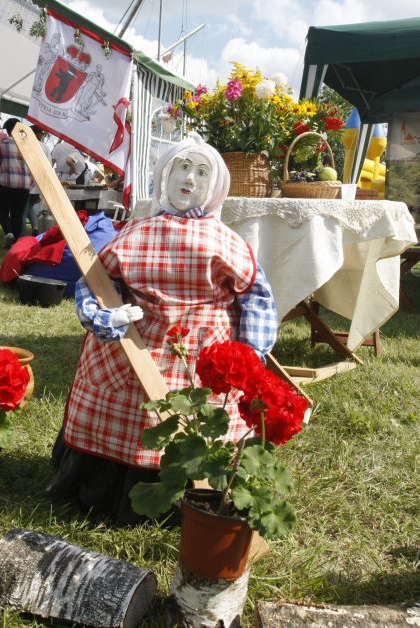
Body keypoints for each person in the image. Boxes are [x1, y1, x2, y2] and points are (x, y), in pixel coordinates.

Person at [47, 134, 279, 522]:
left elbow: (256, 294)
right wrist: (103, 316)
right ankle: (108, 483)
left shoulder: (228, 241)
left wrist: (251, 351)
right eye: (182, 167)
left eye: (202, 172)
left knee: (196, 415)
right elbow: (98, 279)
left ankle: (193, 487)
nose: (190, 179)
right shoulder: (136, 231)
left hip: (199, 349)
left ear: (216, 186)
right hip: (133, 344)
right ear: (163, 175)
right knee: (133, 412)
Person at [0, 118, 32, 249]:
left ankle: (9, 234)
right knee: (17, 215)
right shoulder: (28, 144)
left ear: (8, 131)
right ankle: (15, 243)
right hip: (24, 185)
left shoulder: (1, 143)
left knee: (2, 212)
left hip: (6, 183)